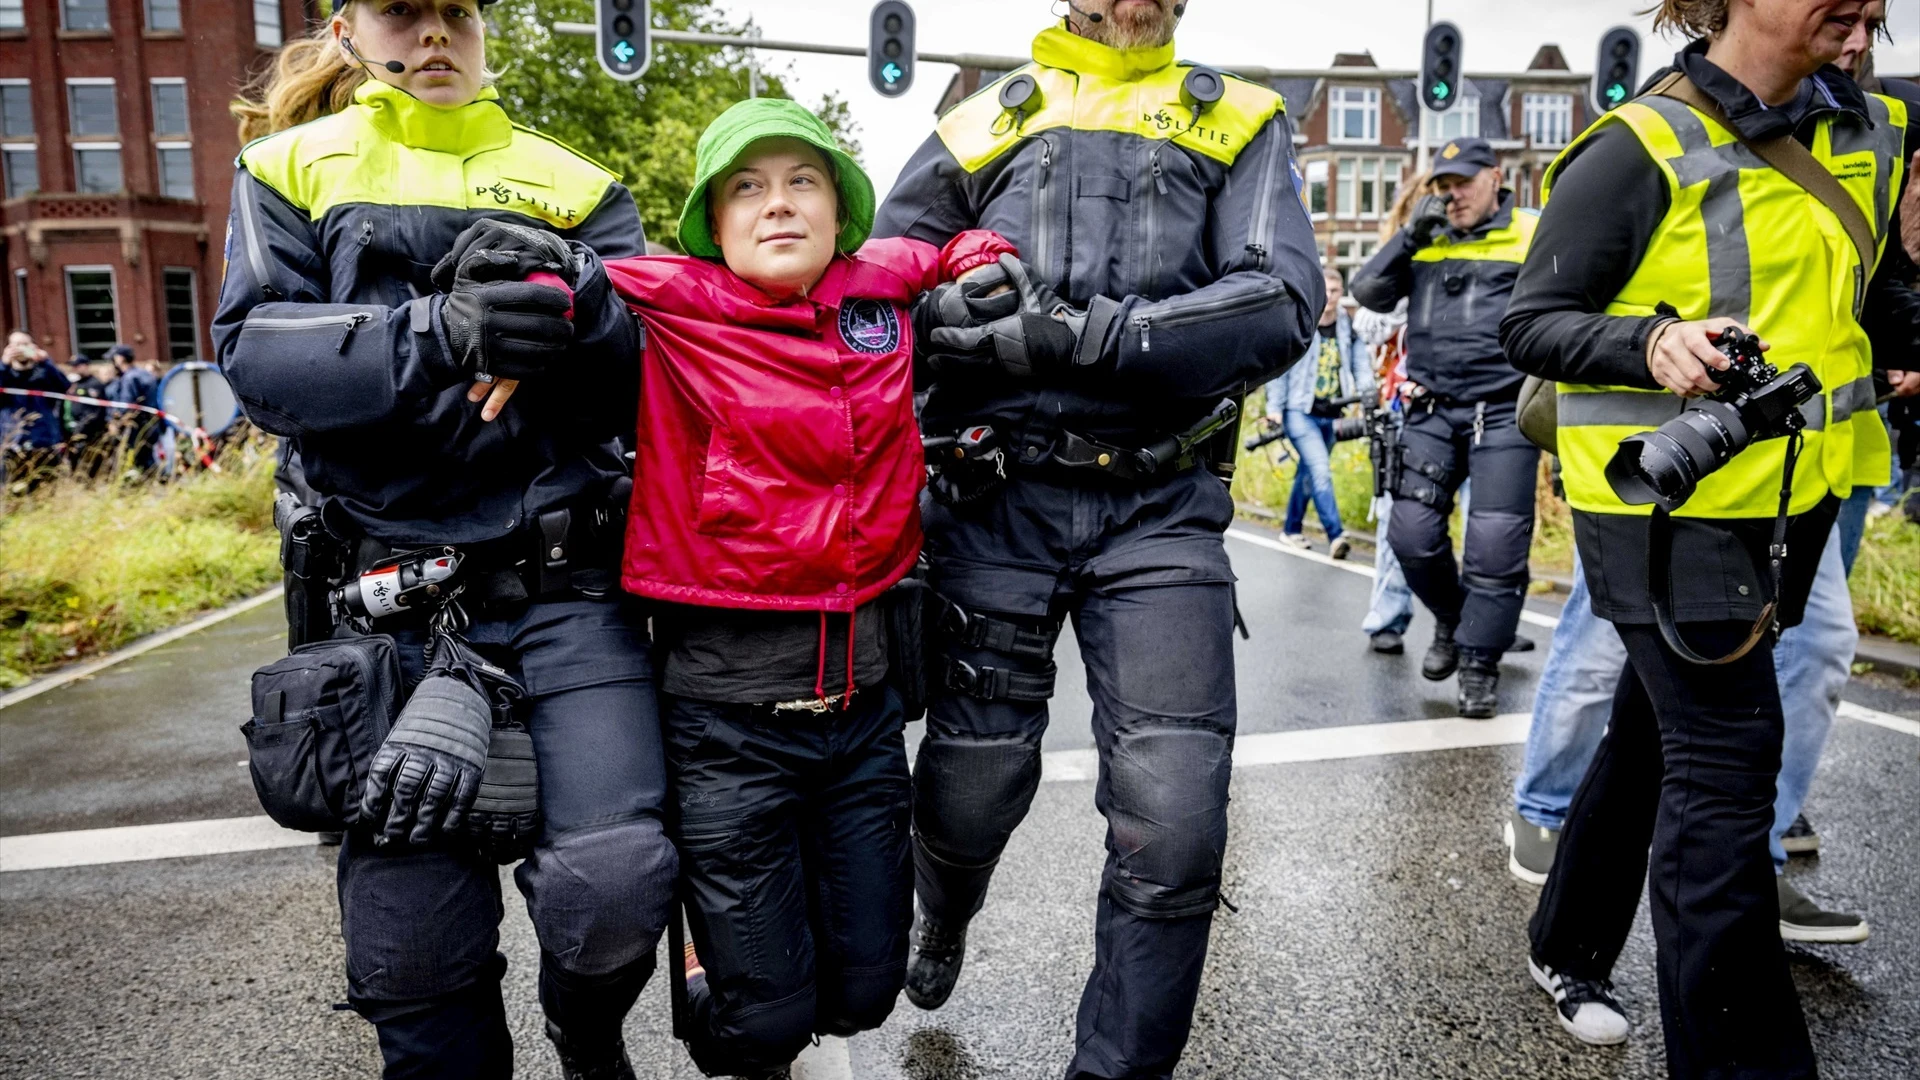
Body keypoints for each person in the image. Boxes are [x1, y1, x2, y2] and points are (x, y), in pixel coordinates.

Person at [212, 3, 674, 1078]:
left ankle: (588, 1034)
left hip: (568, 593)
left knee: (614, 891)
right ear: (346, 29)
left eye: (453, 13)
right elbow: (258, 360)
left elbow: (649, 382)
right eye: (403, 13)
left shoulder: (576, 182)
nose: (431, 35)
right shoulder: (287, 168)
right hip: (388, 614)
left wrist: (586, 303)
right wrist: (442, 329)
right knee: (416, 970)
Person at [873, 2, 1324, 1076]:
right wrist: (954, 312)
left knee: (1174, 826)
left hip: (1160, 511)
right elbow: (876, 293)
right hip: (994, 501)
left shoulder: (1243, 119)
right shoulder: (981, 120)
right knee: (969, 793)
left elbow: (1281, 300)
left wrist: (1078, 335)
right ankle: (948, 907)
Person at [1500, 0, 1918, 1071]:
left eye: (1877, 11)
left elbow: (1874, 290)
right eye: (1844, 5)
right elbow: (1533, 321)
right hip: (1661, 504)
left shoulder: (1872, 127)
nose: (1865, 22)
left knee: (1657, 732)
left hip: (1802, 488)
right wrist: (1655, 344)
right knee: (1729, 765)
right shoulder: (1637, 144)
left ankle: (1567, 942)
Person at [559, 98, 1009, 1080]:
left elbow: (943, 250)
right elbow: (565, 281)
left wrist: (980, 253)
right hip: (725, 729)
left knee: (866, 990)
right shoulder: (664, 298)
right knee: (764, 1025)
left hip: (862, 717)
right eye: (747, 188)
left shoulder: (877, 287)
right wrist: (509, 284)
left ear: (840, 208)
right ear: (713, 224)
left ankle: (768, 979)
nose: (777, 206)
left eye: (802, 181)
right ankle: (707, 986)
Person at [1351, 137, 1540, 719]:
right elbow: (1367, 292)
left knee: (1495, 548)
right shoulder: (1425, 240)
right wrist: (1410, 235)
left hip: (1504, 411)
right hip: (1431, 408)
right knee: (1409, 535)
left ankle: (1479, 667)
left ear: (1494, 177)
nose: (1451, 194)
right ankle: (1456, 620)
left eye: (1461, 182)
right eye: (1442, 185)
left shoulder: (1530, 234)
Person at [1263, 266, 1368, 559]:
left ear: (1341, 293)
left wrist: (1367, 393)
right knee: (1320, 469)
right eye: (1326, 290)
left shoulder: (1347, 326)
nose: (1330, 296)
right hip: (1300, 412)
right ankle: (1336, 536)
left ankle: (1291, 530)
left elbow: (1359, 364)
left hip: (1332, 413)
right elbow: (1280, 370)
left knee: (1309, 473)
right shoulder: (1302, 324)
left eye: (1335, 291)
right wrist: (1274, 409)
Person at [2, 332, 68, 489]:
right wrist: (4, 364)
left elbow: (63, 387)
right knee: (13, 494)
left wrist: (46, 362)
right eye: (16, 345)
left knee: (48, 492)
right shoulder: (4, 374)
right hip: (12, 444)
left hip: (44, 442)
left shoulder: (43, 372)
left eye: (25, 344)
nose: (20, 349)